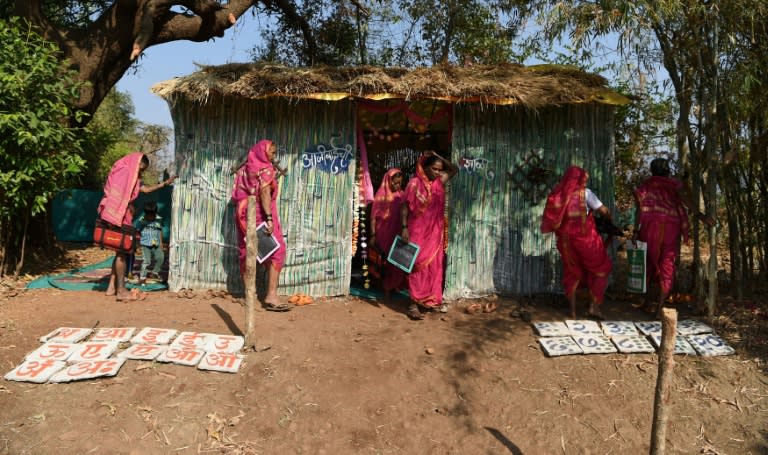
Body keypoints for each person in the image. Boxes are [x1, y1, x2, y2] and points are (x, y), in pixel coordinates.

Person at [633, 158, 714, 316]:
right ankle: (659, 308)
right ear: (667, 170)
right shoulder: (674, 185)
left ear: (652, 170)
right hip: (671, 227)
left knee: (649, 263)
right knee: (667, 265)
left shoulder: (646, 185)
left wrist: (636, 231)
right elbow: (686, 200)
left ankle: (648, 302)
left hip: (650, 228)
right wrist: (701, 216)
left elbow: (640, 207)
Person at [99, 152, 176, 301]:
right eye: (141, 167)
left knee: (118, 252)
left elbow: (145, 190)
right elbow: (119, 193)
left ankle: (111, 287)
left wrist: (165, 184)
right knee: (122, 252)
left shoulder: (131, 177)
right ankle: (121, 290)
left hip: (120, 213)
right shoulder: (125, 172)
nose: (141, 171)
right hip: (118, 214)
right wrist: (126, 205)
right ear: (137, 162)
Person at [541, 166, 613, 319]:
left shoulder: (558, 195)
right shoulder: (585, 194)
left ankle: (573, 312)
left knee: (571, 272)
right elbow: (603, 211)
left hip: (566, 242)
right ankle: (594, 307)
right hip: (586, 241)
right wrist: (609, 218)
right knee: (600, 268)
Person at [232, 139, 290, 312]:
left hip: (243, 215)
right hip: (260, 215)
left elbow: (239, 193)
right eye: (271, 153)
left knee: (247, 251)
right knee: (277, 252)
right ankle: (271, 295)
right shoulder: (265, 170)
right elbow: (265, 193)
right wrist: (269, 219)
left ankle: (250, 294)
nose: (274, 156)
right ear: (263, 153)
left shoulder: (244, 170)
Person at [400, 151, 458, 320]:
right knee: (416, 264)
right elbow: (404, 206)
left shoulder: (439, 182)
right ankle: (413, 304)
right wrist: (404, 227)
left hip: (435, 232)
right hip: (416, 230)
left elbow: (454, 169)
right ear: (424, 167)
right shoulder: (414, 184)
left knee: (433, 266)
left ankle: (428, 300)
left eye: (440, 170)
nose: (438, 172)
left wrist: (439, 157)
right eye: (434, 168)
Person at [370, 168, 407, 300]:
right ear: (388, 180)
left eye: (399, 182)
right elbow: (373, 216)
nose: (397, 185)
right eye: (395, 182)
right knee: (384, 260)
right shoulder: (381, 194)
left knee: (396, 260)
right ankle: (385, 287)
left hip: (397, 232)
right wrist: (373, 235)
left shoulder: (402, 195)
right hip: (384, 233)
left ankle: (394, 285)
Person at [135, 201, 165, 285]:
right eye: (148, 215)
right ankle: (142, 278)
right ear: (145, 213)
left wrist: (161, 243)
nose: (150, 217)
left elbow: (160, 231)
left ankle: (154, 272)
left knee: (161, 258)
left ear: (155, 213)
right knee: (146, 261)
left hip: (156, 243)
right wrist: (137, 244)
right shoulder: (141, 220)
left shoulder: (159, 219)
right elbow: (137, 231)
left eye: (152, 216)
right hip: (145, 244)